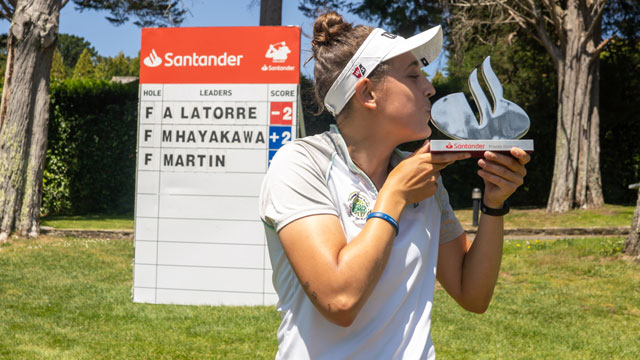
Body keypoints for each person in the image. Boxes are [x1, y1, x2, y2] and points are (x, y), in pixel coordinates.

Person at [259, 11, 530, 359]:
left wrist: (495, 204)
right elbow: (339, 300)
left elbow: (472, 294)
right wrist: (394, 195)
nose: (429, 88)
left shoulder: (422, 177)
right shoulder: (300, 164)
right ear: (368, 93)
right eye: (414, 75)